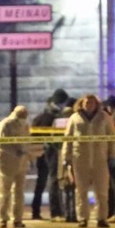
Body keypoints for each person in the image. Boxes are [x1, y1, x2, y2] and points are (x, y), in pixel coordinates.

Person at [61, 94, 115, 228]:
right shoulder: (75, 118)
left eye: (92, 103)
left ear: (96, 104)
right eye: (87, 103)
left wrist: (113, 155)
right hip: (80, 158)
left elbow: (111, 137)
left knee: (102, 191)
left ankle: (101, 218)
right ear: (81, 103)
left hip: (100, 159)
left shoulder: (104, 117)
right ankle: (83, 218)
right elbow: (68, 138)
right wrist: (66, 157)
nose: (89, 105)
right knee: (81, 191)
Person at [31, 89, 68, 220]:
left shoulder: (40, 118)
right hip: (51, 152)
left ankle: (36, 211)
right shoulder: (57, 118)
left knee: (41, 183)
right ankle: (55, 211)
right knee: (53, 181)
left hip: (42, 152)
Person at [0, 105, 30, 228]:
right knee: (5, 192)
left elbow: (27, 141)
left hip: (21, 162)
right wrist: (16, 151)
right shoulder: (6, 124)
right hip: (7, 162)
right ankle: (3, 218)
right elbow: (2, 143)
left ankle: (18, 218)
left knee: (19, 192)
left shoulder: (25, 125)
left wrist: (26, 154)